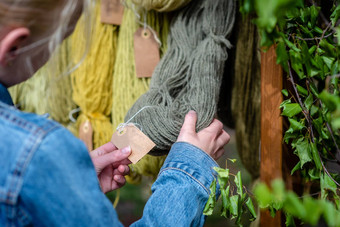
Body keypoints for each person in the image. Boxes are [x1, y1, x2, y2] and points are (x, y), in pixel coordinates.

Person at [0, 0, 230, 226]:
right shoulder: (40, 149)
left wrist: (62, 185)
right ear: (14, 47)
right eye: (57, 41)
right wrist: (190, 168)